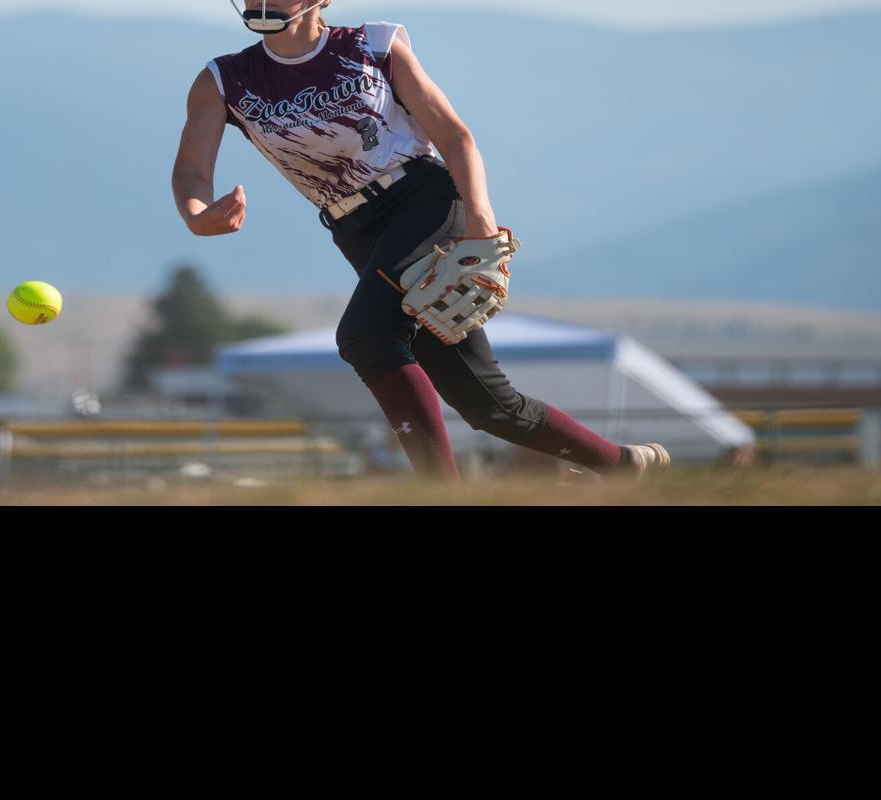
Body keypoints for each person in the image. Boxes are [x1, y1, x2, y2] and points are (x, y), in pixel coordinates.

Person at [173, 1, 670, 484]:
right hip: (354, 228)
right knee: (488, 404)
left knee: (366, 336)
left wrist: (482, 222)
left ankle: (438, 492)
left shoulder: (372, 45)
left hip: (425, 202)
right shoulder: (222, 80)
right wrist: (197, 215)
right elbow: (193, 171)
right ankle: (623, 465)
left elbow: (455, 137)